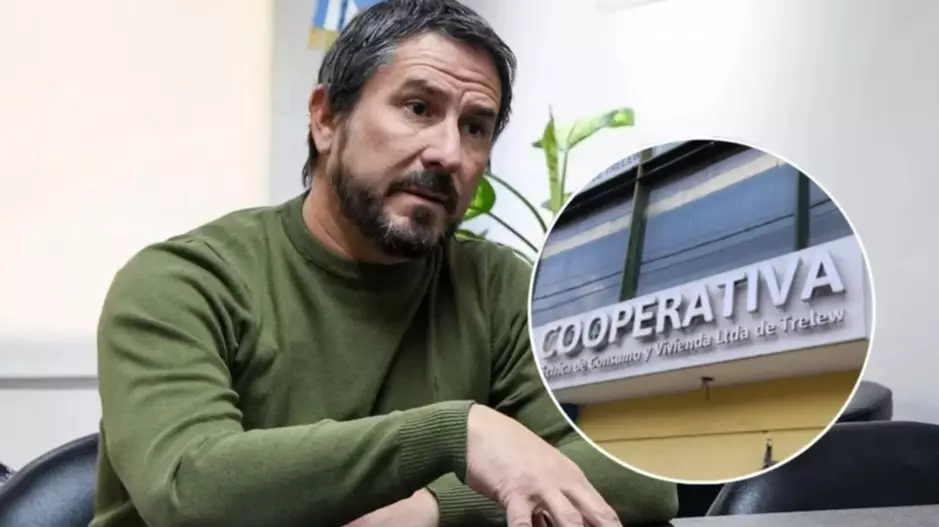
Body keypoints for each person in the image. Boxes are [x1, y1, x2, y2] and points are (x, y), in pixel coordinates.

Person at [91, 1, 678, 526]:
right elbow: (188, 491)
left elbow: (642, 479)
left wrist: (433, 508)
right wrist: (456, 434)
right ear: (326, 119)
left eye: (474, 127)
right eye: (418, 107)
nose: (448, 153)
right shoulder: (184, 283)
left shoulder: (496, 286)